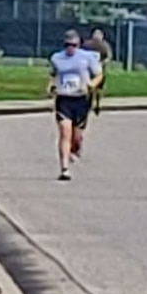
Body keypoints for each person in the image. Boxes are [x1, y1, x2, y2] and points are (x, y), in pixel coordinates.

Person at [47, 27, 103, 180]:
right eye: (67, 45)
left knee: (76, 136)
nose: (70, 48)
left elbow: (99, 74)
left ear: (78, 45)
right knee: (65, 133)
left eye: (73, 45)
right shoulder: (57, 58)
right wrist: (51, 85)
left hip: (81, 99)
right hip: (64, 98)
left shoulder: (87, 57)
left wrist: (92, 84)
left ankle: (76, 147)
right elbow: (53, 74)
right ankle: (64, 168)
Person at [87, 26, 113, 112]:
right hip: (89, 70)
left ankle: (97, 103)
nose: (96, 36)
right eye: (95, 34)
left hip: (100, 70)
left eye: (98, 35)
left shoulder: (105, 46)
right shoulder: (88, 45)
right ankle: (89, 103)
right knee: (89, 87)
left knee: (99, 88)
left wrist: (102, 63)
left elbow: (109, 57)